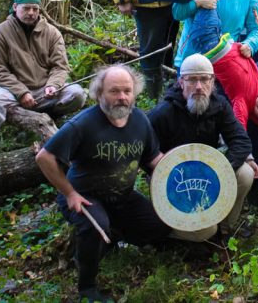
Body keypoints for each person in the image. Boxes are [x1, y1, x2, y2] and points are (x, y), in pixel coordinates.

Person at [34, 65, 182, 302]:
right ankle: (87, 286)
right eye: (114, 91)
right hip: (84, 195)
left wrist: (182, 170)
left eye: (127, 91)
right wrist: (69, 193)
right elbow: (44, 157)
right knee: (96, 226)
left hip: (122, 196)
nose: (122, 97)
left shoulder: (140, 121)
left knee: (159, 225)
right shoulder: (83, 124)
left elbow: (154, 159)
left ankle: (111, 238)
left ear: (135, 93)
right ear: (99, 93)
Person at [147, 54, 256, 237]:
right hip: (174, 179)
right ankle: (166, 231)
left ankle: (225, 225)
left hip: (208, 173)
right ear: (181, 82)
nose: (198, 87)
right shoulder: (162, 113)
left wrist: (221, 170)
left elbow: (241, 140)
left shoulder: (219, 106)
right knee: (205, 232)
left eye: (204, 79)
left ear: (212, 81)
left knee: (245, 174)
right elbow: (145, 152)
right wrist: (164, 170)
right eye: (192, 80)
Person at [0, 0, 87, 157]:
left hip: (45, 90)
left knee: (77, 94)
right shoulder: (0, 33)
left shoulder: (52, 32)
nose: (31, 12)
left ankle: (48, 115)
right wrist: (21, 92)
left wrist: (53, 85)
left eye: (35, 8)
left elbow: (60, 66)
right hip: (11, 92)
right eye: (26, 8)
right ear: (15, 7)